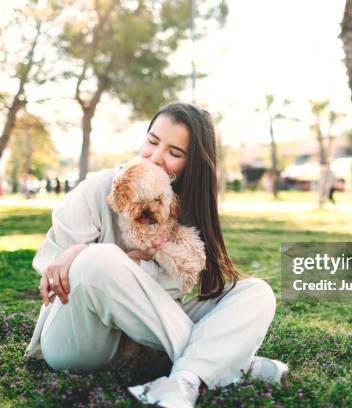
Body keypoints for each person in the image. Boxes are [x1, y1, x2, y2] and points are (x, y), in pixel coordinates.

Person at [25, 102, 287, 407]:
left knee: (257, 292)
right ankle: (227, 360)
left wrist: (129, 262)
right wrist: (83, 255)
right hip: (79, 341)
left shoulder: (184, 210)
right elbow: (54, 273)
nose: (156, 157)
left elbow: (172, 286)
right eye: (152, 141)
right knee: (97, 260)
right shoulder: (99, 188)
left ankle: (184, 380)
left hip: (145, 343)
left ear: (192, 165)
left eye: (174, 153)